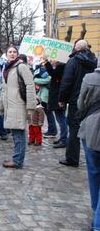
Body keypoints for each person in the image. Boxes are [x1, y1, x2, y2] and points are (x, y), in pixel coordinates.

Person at [58, 39, 97, 167]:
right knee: (92, 128)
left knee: (74, 130)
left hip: (76, 101)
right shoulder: (95, 60)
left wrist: (62, 99)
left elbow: (66, 82)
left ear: (76, 48)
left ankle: (72, 158)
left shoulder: (73, 61)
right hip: (94, 101)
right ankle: (93, 158)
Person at [0, 46, 37, 169]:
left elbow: (30, 86)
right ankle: (17, 158)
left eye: (14, 52)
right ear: (6, 54)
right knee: (16, 134)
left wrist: (31, 106)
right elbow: (4, 89)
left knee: (19, 134)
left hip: (18, 104)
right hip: (10, 105)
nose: (12, 54)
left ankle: (17, 161)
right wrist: (1, 105)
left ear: (17, 54)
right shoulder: (7, 68)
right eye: (10, 52)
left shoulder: (21, 67)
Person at [77, 62, 100, 230]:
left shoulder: (90, 78)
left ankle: (95, 209)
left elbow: (81, 104)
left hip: (90, 128)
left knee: (93, 171)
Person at [43, 59, 69, 148]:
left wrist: (47, 64)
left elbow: (53, 74)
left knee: (61, 119)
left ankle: (64, 139)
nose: (52, 60)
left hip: (59, 96)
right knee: (61, 118)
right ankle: (63, 138)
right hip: (59, 96)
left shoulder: (61, 65)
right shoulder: (62, 65)